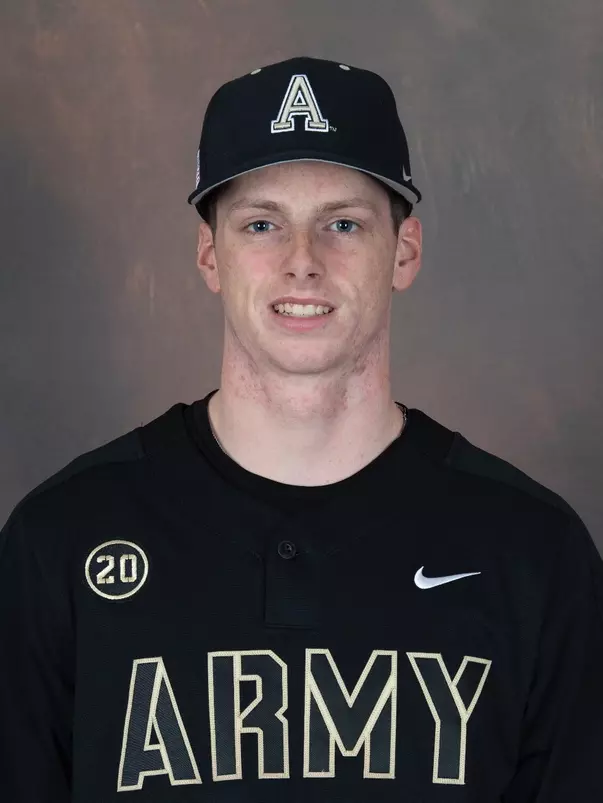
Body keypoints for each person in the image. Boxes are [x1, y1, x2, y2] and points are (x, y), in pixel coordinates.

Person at [0, 55, 602, 803]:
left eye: (342, 224)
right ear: (210, 255)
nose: (302, 263)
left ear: (404, 251)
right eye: (262, 225)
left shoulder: (532, 552)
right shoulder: (62, 539)